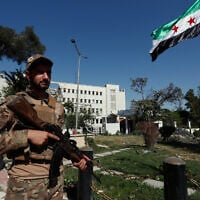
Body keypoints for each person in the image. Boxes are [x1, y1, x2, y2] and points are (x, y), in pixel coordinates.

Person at [0, 54, 89, 199]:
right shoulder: (13, 103)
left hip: (56, 183)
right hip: (25, 184)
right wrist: (25, 136)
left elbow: (56, 142)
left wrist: (73, 155)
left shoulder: (58, 108)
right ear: (28, 74)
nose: (46, 77)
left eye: (49, 72)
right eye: (40, 72)